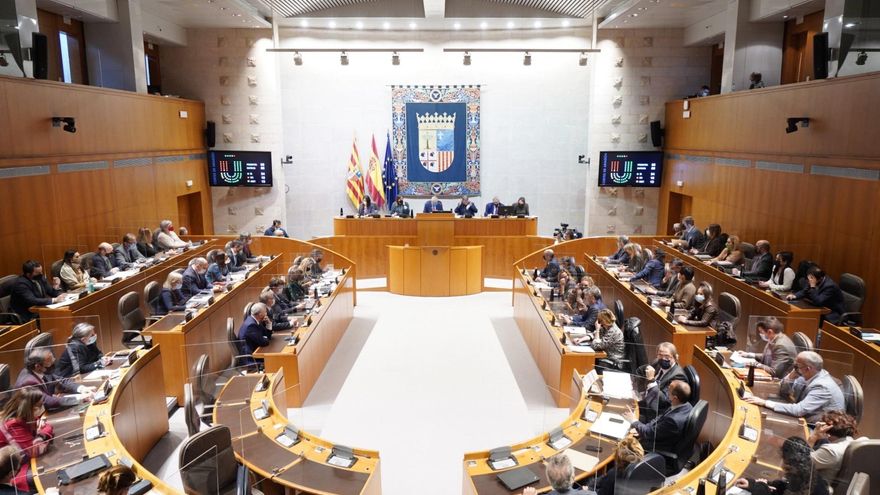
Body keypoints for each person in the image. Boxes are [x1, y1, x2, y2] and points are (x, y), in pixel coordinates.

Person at [744, 351, 845, 423]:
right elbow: (783, 391)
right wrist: (792, 375)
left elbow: (798, 410)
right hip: (805, 418)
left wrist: (764, 402)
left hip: (819, 428)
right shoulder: (808, 374)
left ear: (808, 369)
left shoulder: (822, 386)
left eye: (797, 366)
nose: (794, 369)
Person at [624, 380, 694, 462]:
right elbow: (660, 417)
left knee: (625, 445)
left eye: (669, 390)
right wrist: (644, 427)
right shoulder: (686, 405)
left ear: (675, 398)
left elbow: (649, 433)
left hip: (658, 445)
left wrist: (634, 421)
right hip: (660, 433)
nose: (666, 391)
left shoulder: (673, 420)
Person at [734, 437, 829, 495]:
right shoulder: (802, 474)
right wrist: (753, 484)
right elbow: (784, 487)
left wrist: (761, 488)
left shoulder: (808, 484)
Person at [0, 390, 53, 492]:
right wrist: (44, 432)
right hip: (10, 472)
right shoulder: (13, 424)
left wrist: (40, 432)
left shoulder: (24, 417)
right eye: (39, 406)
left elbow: (38, 425)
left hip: (18, 463)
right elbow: (35, 451)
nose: (42, 408)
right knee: (49, 474)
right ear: (28, 409)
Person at [15, 348, 93, 410]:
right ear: (37, 366)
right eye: (50, 364)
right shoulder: (28, 382)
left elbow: (62, 381)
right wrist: (79, 398)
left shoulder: (42, 370)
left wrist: (81, 389)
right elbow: (47, 401)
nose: (53, 366)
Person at [807, 411, 863, 482]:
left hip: (817, 489)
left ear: (826, 428)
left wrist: (813, 438)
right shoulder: (855, 444)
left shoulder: (830, 450)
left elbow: (799, 464)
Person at [639, 342, 688, 421]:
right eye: (660, 355)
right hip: (646, 402)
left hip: (658, 414)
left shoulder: (678, 376)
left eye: (667, 356)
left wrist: (651, 380)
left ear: (674, 357)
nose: (663, 359)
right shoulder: (657, 362)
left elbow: (665, 400)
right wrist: (640, 392)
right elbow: (640, 371)